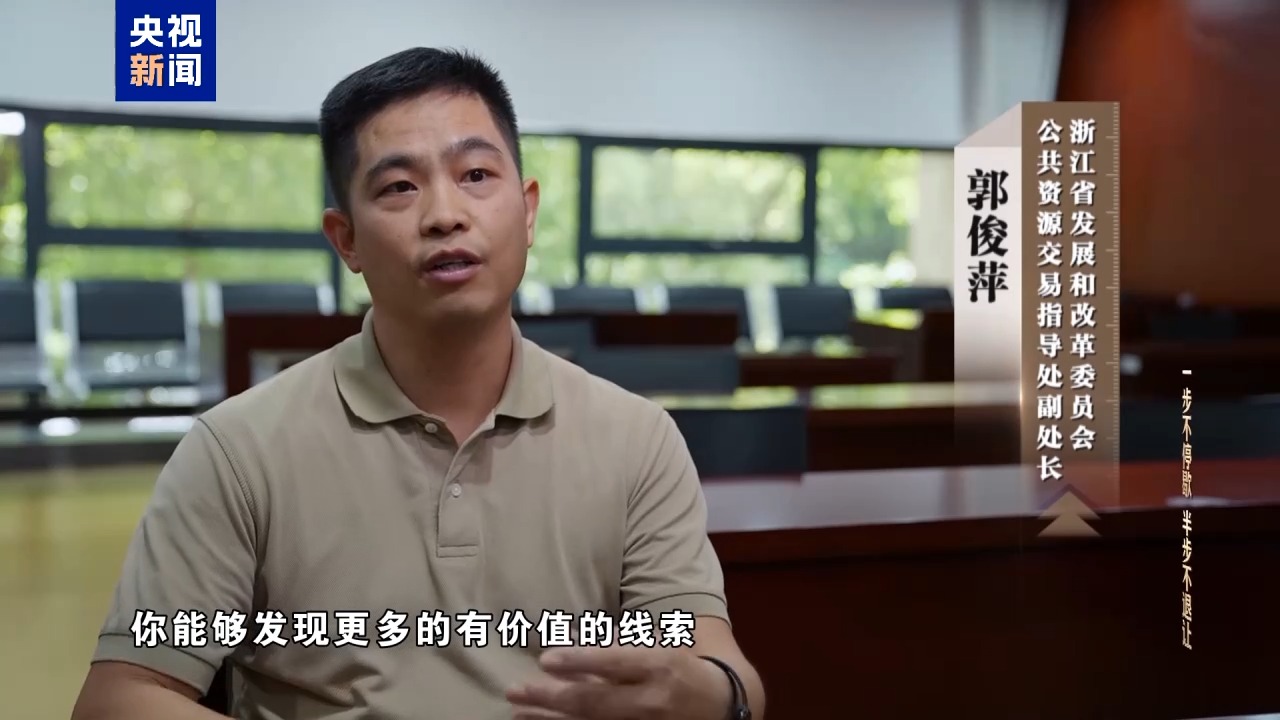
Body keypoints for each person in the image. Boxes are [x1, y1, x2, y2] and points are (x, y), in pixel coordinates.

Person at [71, 47, 764, 720]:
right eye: (399, 186)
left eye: (476, 175)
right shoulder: (238, 449)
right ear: (345, 239)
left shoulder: (636, 440)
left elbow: (724, 673)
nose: (444, 214)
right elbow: (120, 698)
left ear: (527, 211)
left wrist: (710, 694)